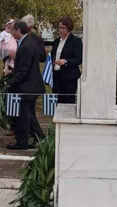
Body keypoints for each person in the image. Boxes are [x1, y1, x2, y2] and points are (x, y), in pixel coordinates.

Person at [7, 20, 45, 150]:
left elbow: (24, 70)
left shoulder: (26, 45)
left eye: (13, 30)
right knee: (29, 115)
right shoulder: (29, 41)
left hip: (28, 86)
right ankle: (37, 138)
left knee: (25, 115)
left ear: (18, 30)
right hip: (31, 85)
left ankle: (25, 142)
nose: (11, 33)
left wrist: (10, 82)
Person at [51, 16, 83, 104]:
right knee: (57, 102)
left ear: (69, 28)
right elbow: (53, 55)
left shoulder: (76, 41)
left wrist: (66, 61)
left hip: (69, 78)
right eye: (59, 27)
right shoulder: (56, 41)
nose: (60, 30)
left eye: (63, 28)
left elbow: (79, 59)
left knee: (68, 103)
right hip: (57, 76)